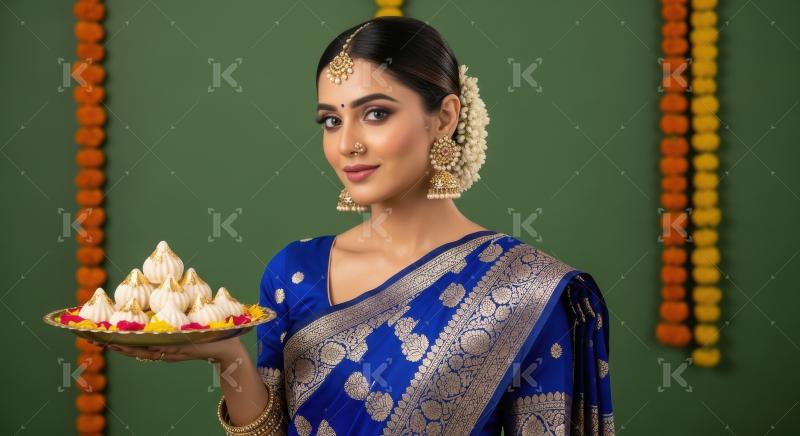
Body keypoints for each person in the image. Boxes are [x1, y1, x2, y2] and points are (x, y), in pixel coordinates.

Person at [102, 16, 614, 435]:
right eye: (331, 120)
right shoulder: (295, 272)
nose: (347, 143)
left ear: (445, 116)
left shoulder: (526, 290)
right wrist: (226, 355)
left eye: (375, 114)